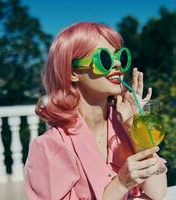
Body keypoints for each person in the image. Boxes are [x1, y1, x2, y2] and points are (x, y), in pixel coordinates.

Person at [24, 22, 167, 200]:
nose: (117, 66)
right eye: (105, 60)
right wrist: (121, 183)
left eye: (120, 57)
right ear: (72, 73)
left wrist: (134, 129)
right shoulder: (50, 147)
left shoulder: (123, 125)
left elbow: (157, 193)